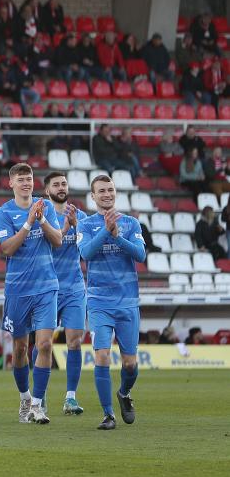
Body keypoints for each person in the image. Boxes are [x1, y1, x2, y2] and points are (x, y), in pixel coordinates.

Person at [0, 163, 63, 424]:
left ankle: (37, 404)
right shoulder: (4, 213)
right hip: (18, 289)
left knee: (45, 344)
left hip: (47, 286)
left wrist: (42, 218)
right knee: (21, 348)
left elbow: (57, 240)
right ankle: (24, 398)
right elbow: (7, 249)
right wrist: (28, 223)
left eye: (29, 179)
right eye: (21, 179)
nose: (26, 183)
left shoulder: (43, 206)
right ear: (11, 183)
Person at [78, 175, 146, 430]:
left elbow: (140, 255)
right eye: (101, 191)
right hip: (99, 302)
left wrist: (117, 236)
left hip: (128, 302)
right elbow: (85, 253)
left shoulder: (130, 223)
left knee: (130, 363)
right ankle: (108, 415)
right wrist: (106, 231)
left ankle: (124, 394)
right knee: (103, 356)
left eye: (110, 190)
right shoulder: (85, 226)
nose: (107, 194)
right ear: (93, 196)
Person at [45, 172, 87, 414]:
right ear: (47, 189)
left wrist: (78, 226)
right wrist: (65, 227)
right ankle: (39, 395)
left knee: (74, 341)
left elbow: (89, 246)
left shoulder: (79, 215)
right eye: (56, 184)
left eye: (63, 184)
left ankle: (70, 397)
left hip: (73, 287)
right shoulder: (42, 214)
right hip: (47, 287)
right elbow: (48, 243)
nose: (61, 187)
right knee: (43, 344)